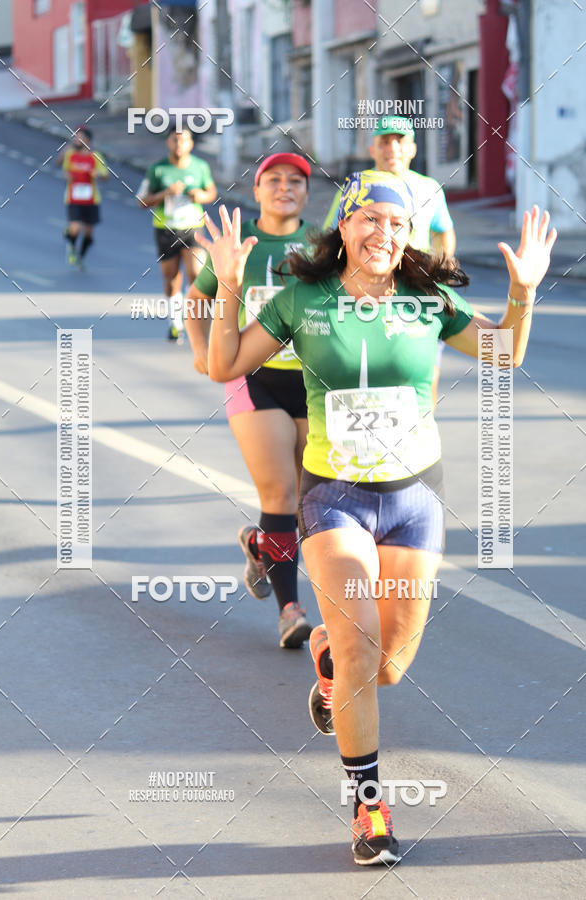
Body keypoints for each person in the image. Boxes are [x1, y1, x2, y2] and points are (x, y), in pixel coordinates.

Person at [205, 170, 556, 865]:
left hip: (412, 502)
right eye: (369, 218)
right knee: (362, 650)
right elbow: (224, 365)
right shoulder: (303, 299)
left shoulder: (430, 300)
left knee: (386, 666)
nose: (383, 233)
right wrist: (229, 285)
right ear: (343, 226)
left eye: (397, 224)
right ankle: (369, 809)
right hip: (334, 498)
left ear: (408, 236)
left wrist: (524, 291)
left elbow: (505, 353)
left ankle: (328, 660)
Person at [185, 152, 314, 650]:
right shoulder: (239, 247)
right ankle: (290, 610)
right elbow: (196, 299)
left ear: (307, 193)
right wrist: (201, 349)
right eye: (273, 179)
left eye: (295, 180)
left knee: (306, 504)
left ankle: (261, 544)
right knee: (279, 493)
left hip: (313, 383)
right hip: (253, 379)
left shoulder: (324, 247)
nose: (285, 187)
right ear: (256, 191)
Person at [324, 116, 457, 407]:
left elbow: (444, 230)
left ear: (413, 149)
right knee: (365, 374)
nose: (392, 148)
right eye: (384, 141)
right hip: (364, 295)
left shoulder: (429, 188)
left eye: (400, 141)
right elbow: (331, 238)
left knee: (424, 375)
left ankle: (420, 426)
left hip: (416, 293)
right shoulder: (356, 186)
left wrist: (443, 268)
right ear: (372, 149)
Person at [137, 126, 217, 343]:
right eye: (175, 140)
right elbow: (142, 201)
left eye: (183, 140)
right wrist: (165, 193)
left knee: (196, 274)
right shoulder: (158, 169)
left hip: (192, 228)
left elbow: (211, 192)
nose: (179, 144)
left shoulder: (200, 166)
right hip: (166, 229)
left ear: (191, 144)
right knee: (172, 278)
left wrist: (200, 195)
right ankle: (175, 323)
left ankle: (195, 320)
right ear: (168, 142)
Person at [57, 126, 108, 270]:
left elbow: (105, 176)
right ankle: (71, 247)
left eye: (80, 137)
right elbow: (63, 168)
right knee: (75, 228)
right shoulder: (70, 154)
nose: (76, 140)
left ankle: (81, 257)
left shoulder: (95, 156)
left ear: (88, 140)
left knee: (89, 233)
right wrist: (67, 175)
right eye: (75, 137)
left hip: (92, 199)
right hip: (73, 198)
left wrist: (97, 174)